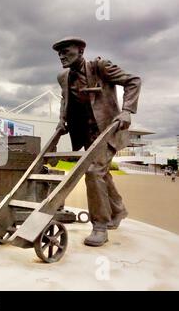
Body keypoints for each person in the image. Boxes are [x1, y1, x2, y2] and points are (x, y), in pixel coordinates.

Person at [53, 37, 141, 247]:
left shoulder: (100, 67)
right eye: (59, 54)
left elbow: (134, 80)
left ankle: (100, 226)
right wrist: (61, 120)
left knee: (93, 172)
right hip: (85, 134)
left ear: (81, 50)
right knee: (102, 172)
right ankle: (118, 210)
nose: (62, 56)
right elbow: (65, 99)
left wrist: (127, 111)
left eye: (66, 52)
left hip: (108, 130)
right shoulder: (63, 77)